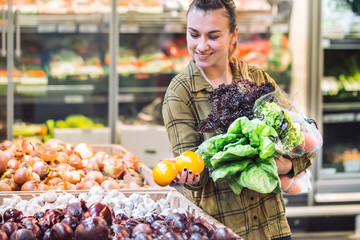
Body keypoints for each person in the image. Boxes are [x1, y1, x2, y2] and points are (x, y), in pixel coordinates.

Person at [162, 0, 316, 239]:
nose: (201, 46)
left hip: (272, 226)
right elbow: (195, 174)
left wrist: (289, 165)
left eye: (213, 36)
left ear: (233, 35)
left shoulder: (254, 77)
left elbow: (303, 139)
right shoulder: (180, 93)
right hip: (222, 230)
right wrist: (188, 175)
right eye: (194, 34)